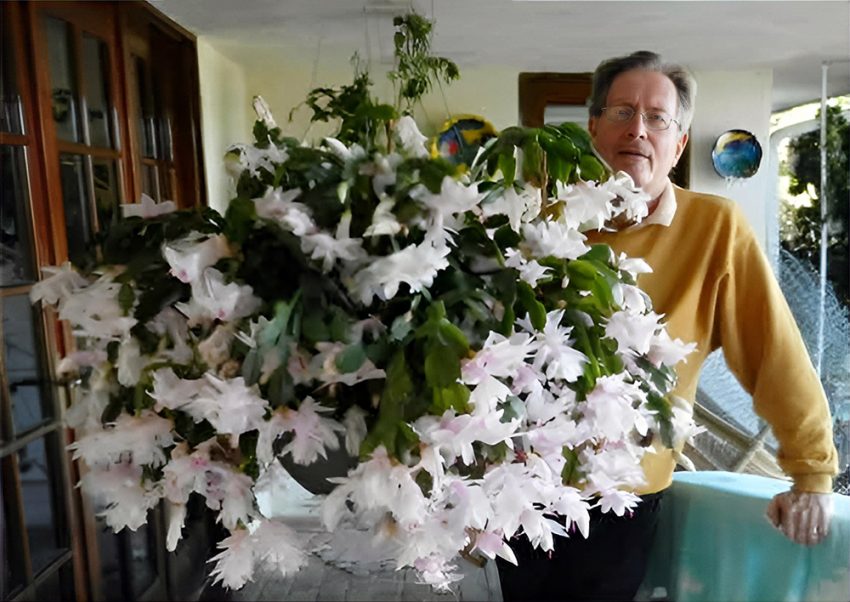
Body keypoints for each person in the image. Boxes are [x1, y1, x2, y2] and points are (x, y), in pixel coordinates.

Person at [496, 50, 839, 601]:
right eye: (621, 112)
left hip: (623, 499)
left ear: (678, 144)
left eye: (658, 118)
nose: (638, 129)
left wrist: (812, 471)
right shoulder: (538, 219)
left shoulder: (715, 229)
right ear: (592, 128)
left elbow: (773, 351)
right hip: (520, 487)